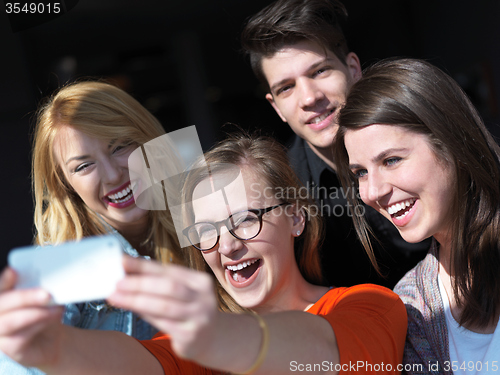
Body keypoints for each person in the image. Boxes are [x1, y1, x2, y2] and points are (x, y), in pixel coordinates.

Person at [0, 132, 407, 374]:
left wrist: (215, 335)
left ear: (296, 217)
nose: (227, 246)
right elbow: (138, 364)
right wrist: (53, 347)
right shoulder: (199, 347)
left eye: (246, 219)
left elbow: (324, 355)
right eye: (206, 231)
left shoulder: (370, 304)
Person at [240, 0, 430, 289]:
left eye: (319, 71)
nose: (309, 98)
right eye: (286, 88)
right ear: (276, 107)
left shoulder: (422, 131)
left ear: (353, 68)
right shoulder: (280, 195)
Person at [0, 80, 184, 374]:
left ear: (147, 140)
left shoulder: (203, 224)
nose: (112, 175)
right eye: (83, 166)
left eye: (120, 146)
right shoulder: (59, 271)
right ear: (66, 185)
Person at [333, 58, 500, 374]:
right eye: (361, 173)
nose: (372, 191)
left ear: (452, 142)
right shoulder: (411, 304)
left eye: (392, 160)